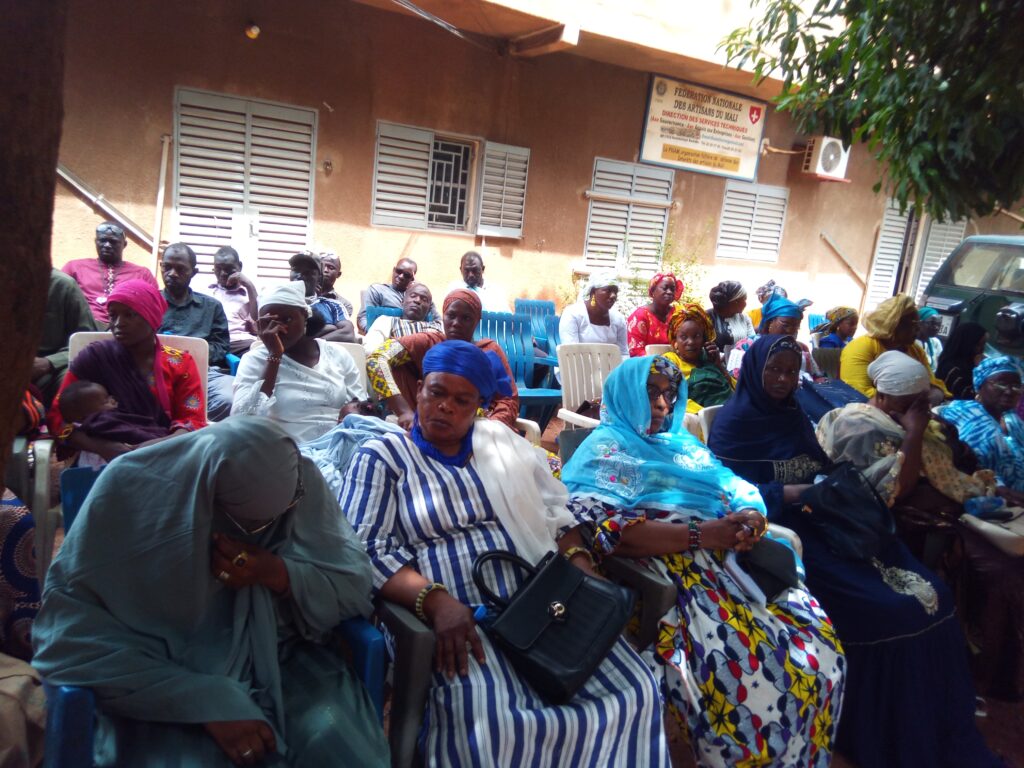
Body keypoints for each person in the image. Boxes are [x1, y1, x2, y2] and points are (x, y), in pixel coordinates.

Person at [342, 341, 670, 767]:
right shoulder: (384, 457)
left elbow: (556, 515)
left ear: (478, 407)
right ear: (419, 389)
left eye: (462, 401)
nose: (445, 407)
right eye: (436, 392)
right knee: (498, 725)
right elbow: (366, 548)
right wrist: (436, 602)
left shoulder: (500, 446)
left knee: (635, 690)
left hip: (539, 596)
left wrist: (583, 571)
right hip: (456, 614)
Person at [708, 336, 1001, 768]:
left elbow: (821, 464)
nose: (783, 380)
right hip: (785, 534)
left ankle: (930, 719)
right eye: (774, 370)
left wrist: (835, 486)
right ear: (754, 370)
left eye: (791, 371)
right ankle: (876, 731)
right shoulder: (735, 425)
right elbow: (725, 497)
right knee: (891, 610)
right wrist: (795, 493)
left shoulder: (793, 415)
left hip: (829, 516)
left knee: (932, 593)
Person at [32, 419, 389, 767]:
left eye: (281, 516)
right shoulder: (130, 490)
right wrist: (203, 701)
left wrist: (275, 572)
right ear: (205, 498)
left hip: (282, 656)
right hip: (160, 669)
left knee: (345, 749)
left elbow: (352, 586)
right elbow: (67, 636)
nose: (271, 531)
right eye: (251, 525)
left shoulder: (297, 479)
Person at [560, 355, 844, 768]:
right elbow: (606, 532)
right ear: (626, 394)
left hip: (731, 561)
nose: (662, 404)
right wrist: (703, 535)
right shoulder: (604, 450)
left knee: (821, 651)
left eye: (669, 394)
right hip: (668, 572)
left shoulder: (683, 445)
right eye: (651, 392)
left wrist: (751, 515)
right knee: (746, 680)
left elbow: (733, 484)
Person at [817, 351, 1024, 701]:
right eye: (912, 402)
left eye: (923, 401)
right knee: (1000, 574)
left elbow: (952, 468)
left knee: (1011, 566)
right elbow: (897, 489)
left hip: (954, 512)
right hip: (905, 526)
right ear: (883, 396)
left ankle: (995, 669)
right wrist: (913, 432)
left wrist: (981, 484)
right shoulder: (859, 424)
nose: (922, 409)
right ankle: (983, 674)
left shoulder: (918, 420)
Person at [49, 279, 206, 462]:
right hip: (101, 457)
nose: (118, 323)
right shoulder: (94, 358)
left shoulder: (179, 363)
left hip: (164, 453)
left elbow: (192, 422)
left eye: (129, 315)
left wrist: (150, 448)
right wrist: (102, 447)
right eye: (113, 315)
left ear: (151, 316)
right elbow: (57, 417)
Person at [231, 283, 367, 444]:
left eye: (287, 319)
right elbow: (241, 420)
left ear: (305, 316)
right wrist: (274, 356)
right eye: (269, 322)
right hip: (286, 450)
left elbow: (359, 407)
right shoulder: (254, 360)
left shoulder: (338, 355)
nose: (279, 328)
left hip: (339, 445)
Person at [367, 289, 519, 430]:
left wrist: (490, 427)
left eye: (466, 318)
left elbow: (508, 399)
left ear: (477, 320)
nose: (456, 323)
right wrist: (403, 411)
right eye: (451, 316)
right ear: (443, 316)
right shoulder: (428, 343)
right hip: (428, 428)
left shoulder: (489, 351)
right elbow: (376, 359)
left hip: (483, 430)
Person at [159, 242, 234, 420]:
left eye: (180, 269)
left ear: (193, 272)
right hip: (155, 373)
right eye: (167, 267)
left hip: (201, 373)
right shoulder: (147, 302)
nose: (172, 273)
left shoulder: (211, 307)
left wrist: (192, 356)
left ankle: (195, 430)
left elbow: (221, 346)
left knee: (232, 400)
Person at [840, 294, 949, 402]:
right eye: (913, 324)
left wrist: (935, 393)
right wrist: (911, 403)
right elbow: (858, 391)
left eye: (918, 324)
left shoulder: (915, 349)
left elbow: (932, 383)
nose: (918, 329)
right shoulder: (861, 347)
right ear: (894, 325)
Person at [942, 356, 1024, 491]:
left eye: (1016, 386)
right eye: (1001, 384)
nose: (1009, 391)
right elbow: (971, 463)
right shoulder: (965, 414)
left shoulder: (1013, 421)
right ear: (979, 386)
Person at [62, 222, 159, 325]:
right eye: (102, 240)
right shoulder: (74, 267)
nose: (107, 245)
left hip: (126, 328)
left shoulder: (142, 274)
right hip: (82, 326)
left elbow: (155, 307)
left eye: (113, 242)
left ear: (124, 244)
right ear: (96, 242)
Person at [33, 268, 99, 405]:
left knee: (74, 382)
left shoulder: (63, 285)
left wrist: (50, 362)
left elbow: (87, 341)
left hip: (50, 369)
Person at [727, 291, 822, 380]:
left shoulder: (800, 348)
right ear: (770, 322)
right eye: (785, 325)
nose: (790, 330)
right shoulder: (746, 345)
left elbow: (818, 377)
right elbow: (734, 377)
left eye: (796, 326)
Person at [662, 303, 733, 412]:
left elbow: (736, 389)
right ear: (675, 341)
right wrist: (704, 414)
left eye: (697, 336)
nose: (691, 342)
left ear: (704, 340)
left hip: (730, 409)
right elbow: (670, 397)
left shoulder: (709, 358)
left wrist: (719, 366)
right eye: (683, 337)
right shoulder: (668, 361)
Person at [357, 258, 436, 334]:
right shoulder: (377, 290)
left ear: (412, 279)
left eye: (406, 275)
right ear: (394, 270)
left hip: (416, 336)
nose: (401, 276)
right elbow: (363, 319)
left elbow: (436, 322)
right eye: (399, 271)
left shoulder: (420, 297)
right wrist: (375, 333)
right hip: (386, 336)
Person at [288, 252, 355, 342]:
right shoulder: (278, 303)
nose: (300, 275)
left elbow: (348, 334)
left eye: (308, 272)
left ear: (319, 278)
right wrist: (328, 329)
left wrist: (310, 343)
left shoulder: (333, 305)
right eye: (296, 270)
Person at [558, 271, 628, 356]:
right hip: (577, 364)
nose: (613, 295)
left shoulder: (618, 319)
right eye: (608, 290)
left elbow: (623, 353)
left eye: (615, 292)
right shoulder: (573, 314)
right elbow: (571, 353)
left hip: (612, 365)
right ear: (593, 292)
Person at [361, 281, 440, 354]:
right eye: (413, 296)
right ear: (402, 302)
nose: (417, 300)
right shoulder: (385, 321)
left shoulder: (438, 326)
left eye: (424, 299)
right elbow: (370, 350)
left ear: (429, 309)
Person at [210, 246, 259, 355]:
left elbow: (258, 327)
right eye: (218, 268)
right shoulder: (207, 292)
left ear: (239, 266)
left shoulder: (250, 294)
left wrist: (249, 285)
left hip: (240, 342)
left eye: (228, 269)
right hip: (215, 342)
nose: (223, 273)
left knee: (261, 350)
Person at [625, 272, 683, 356]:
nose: (669, 292)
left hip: (677, 362)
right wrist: (661, 362)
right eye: (665, 288)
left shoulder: (678, 314)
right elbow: (636, 351)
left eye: (672, 289)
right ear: (653, 291)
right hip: (648, 362)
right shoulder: (640, 316)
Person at [936, 321, 988, 400]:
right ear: (967, 344)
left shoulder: (970, 363)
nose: (982, 349)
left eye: (984, 345)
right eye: (979, 345)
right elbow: (971, 396)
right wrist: (980, 369)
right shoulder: (951, 369)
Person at [445, 250, 510, 312]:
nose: (470, 275)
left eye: (475, 270)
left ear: (483, 269)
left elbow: (507, 316)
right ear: (461, 270)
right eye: (466, 270)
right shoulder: (454, 290)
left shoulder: (496, 291)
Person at [706, 280, 753, 347]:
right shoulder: (707, 317)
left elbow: (753, 341)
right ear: (735, 302)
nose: (746, 303)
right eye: (744, 299)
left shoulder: (744, 317)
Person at [318, 252, 354, 317]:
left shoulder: (344, 304)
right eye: (322, 266)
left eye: (331, 267)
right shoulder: (304, 295)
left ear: (338, 274)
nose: (325, 270)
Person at [916, 306, 944, 371]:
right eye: (932, 323)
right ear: (920, 323)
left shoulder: (935, 342)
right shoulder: (911, 343)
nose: (936, 327)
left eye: (939, 324)